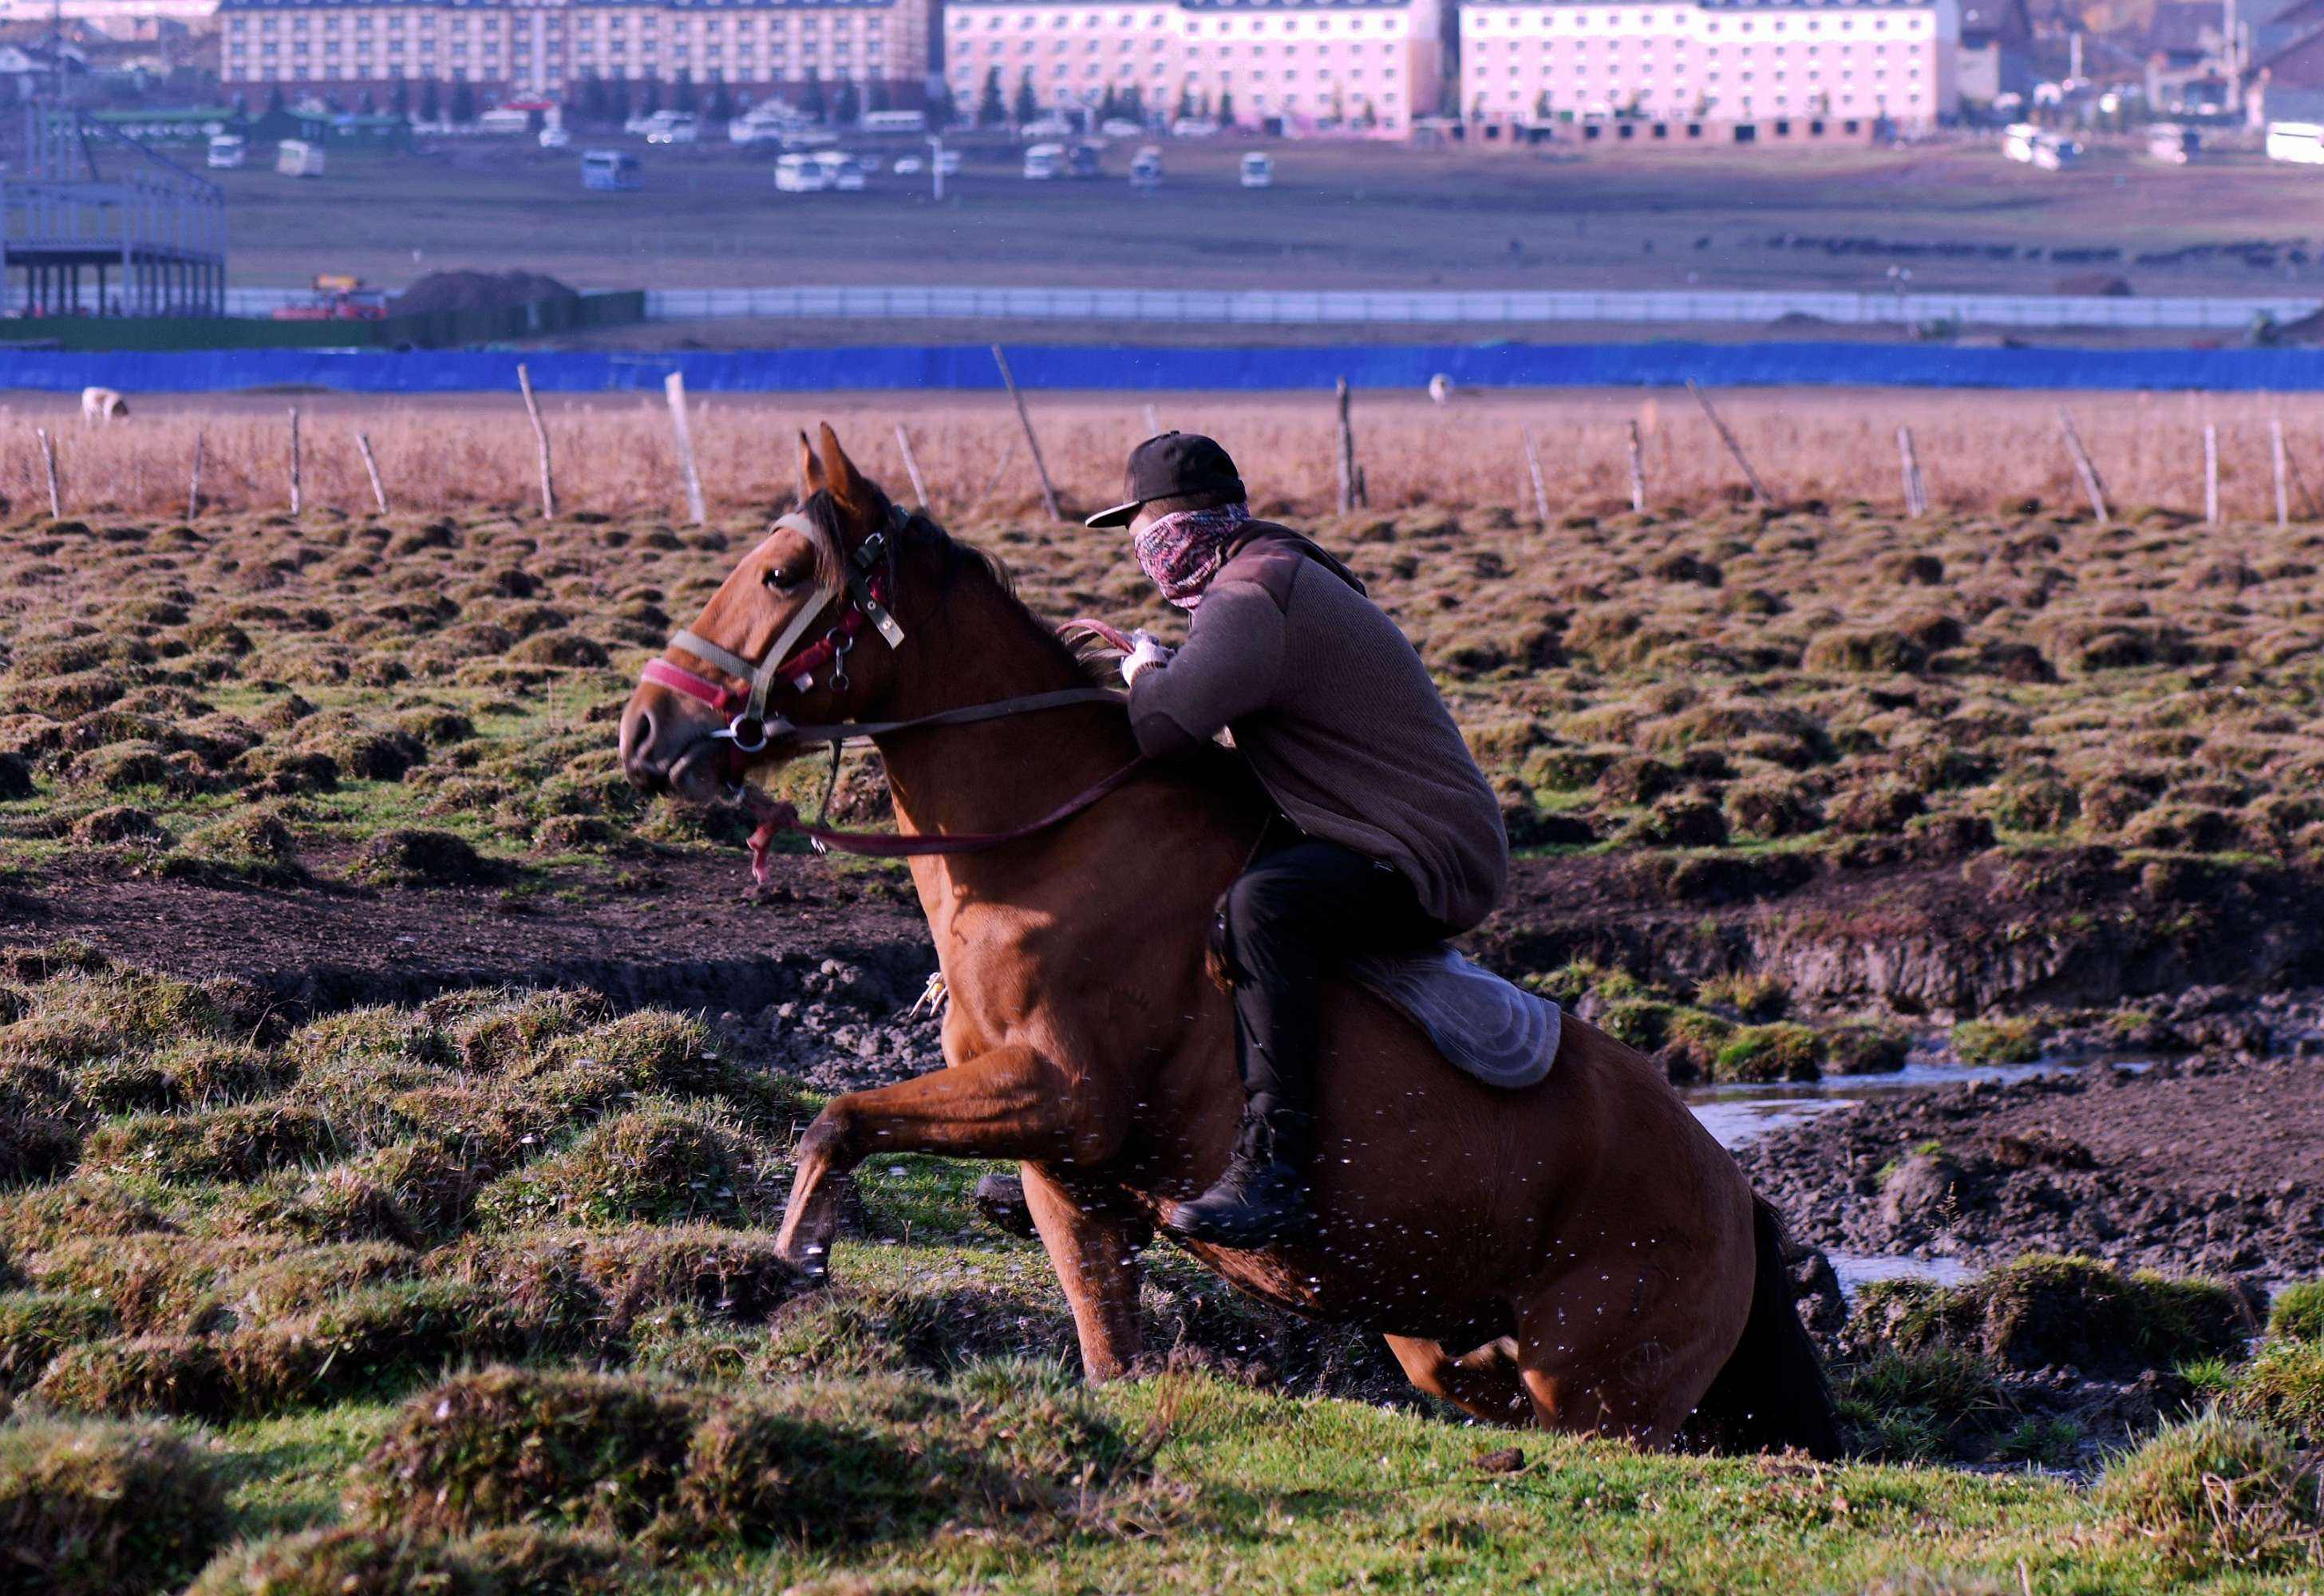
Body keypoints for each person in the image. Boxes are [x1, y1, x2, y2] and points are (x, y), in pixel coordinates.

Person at [1088, 433, 1509, 1248]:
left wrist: (1145, 676)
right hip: (1368, 826)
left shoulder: (1250, 593)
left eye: (1141, 527)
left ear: (1180, 523)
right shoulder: (1260, 575)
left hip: (1424, 855)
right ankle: (1113, 1139)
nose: (1140, 550)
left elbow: (1167, 731)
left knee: (1266, 906)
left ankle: (1275, 1170)